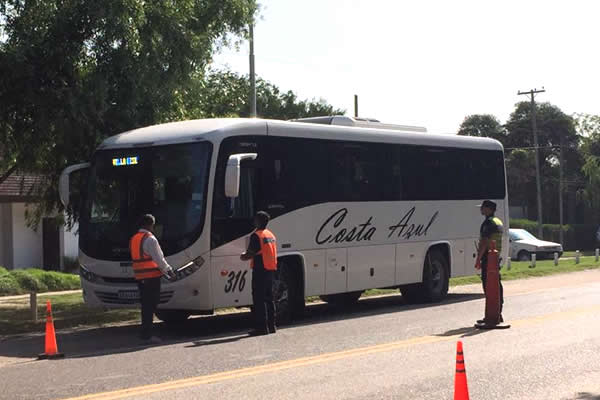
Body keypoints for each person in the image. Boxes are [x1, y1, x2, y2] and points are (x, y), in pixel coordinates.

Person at [129, 214, 175, 343]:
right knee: (151, 306)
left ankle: (145, 333)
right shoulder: (150, 239)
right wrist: (169, 270)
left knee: (146, 306)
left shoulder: (134, 238)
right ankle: (147, 335)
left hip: (140, 277)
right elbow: (159, 259)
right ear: (150, 225)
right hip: (151, 278)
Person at [240, 211, 278, 336]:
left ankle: (262, 328)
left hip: (260, 270)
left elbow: (250, 253)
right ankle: (272, 326)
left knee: (259, 299)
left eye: (255, 219)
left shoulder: (256, 236)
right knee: (269, 299)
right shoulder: (270, 234)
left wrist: (243, 256)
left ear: (259, 221)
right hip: (270, 269)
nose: (254, 221)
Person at [474, 200, 504, 324]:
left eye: (483, 207)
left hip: (489, 257)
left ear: (489, 209)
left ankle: (492, 314)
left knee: (489, 286)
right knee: (496, 285)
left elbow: (485, 242)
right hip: (496, 257)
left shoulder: (488, 223)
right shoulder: (498, 221)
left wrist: (478, 259)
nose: (481, 209)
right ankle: (498, 312)